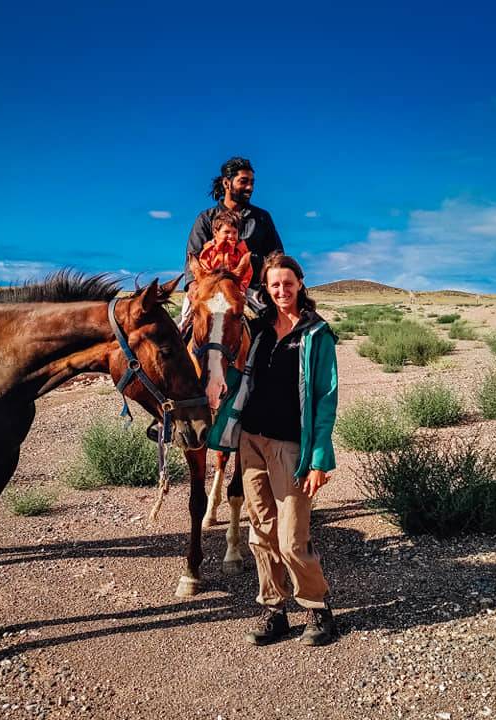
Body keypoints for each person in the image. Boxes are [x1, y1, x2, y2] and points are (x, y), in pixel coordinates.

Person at [212, 252, 338, 646]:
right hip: (252, 442)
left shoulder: (317, 334)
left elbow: (325, 399)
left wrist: (319, 459)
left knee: (291, 537)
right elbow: (227, 359)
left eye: (288, 282)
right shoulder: (260, 330)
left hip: (291, 447)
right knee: (259, 533)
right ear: (265, 289)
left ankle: (318, 609)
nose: (282, 290)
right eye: (274, 284)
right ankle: (275, 609)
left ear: (300, 284)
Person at [184, 156, 283, 314]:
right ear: (226, 183)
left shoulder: (262, 218)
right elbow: (193, 257)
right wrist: (193, 286)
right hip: (210, 291)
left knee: (274, 326)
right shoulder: (205, 218)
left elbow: (277, 256)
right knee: (183, 327)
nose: (250, 187)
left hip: (253, 292)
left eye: (252, 182)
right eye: (243, 181)